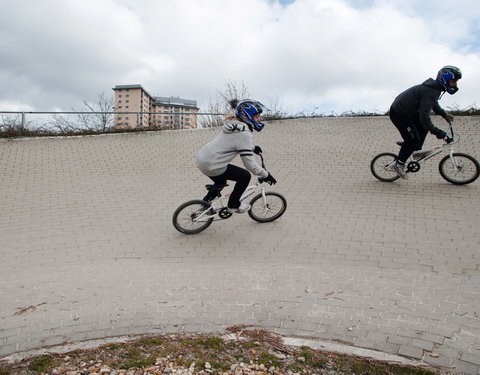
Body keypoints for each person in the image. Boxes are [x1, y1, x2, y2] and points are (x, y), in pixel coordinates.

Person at [196, 99, 277, 213]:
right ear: (247, 116)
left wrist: (252, 148)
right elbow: (249, 164)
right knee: (244, 176)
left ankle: (204, 205)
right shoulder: (244, 133)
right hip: (213, 164)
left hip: (202, 160)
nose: (259, 119)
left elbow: (232, 143)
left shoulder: (233, 126)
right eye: (257, 116)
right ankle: (233, 205)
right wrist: (266, 174)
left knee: (220, 182)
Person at [388, 65, 462, 179]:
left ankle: (415, 150)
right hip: (399, 114)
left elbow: (434, 104)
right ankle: (398, 164)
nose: (455, 85)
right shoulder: (431, 90)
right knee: (412, 139)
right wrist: (438, 132)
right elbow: (424, 118)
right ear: (445, 79)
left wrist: (444, 115)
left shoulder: (434, 90)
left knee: (422, 129)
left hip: (409, 112)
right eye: (453, 81)